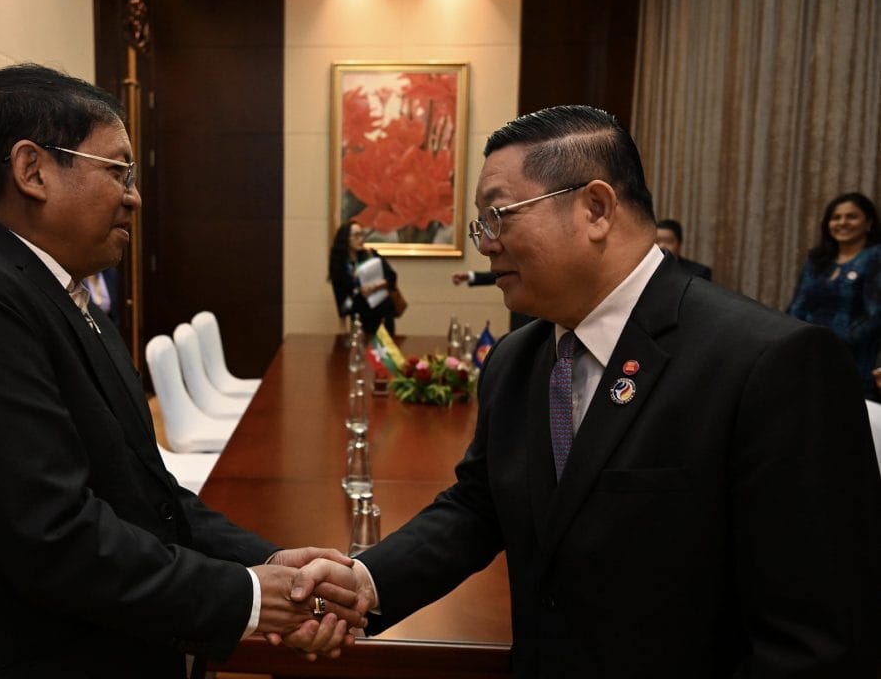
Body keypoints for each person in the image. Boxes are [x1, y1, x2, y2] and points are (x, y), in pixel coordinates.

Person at [315, 105, 881, 676]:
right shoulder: (518, 359)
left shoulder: (771, 363)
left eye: (498, 216)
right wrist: (362, 582)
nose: (486, 244)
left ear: (596, 208)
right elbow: (481, 504)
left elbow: (818, 644)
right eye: (479, 225)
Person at [0, 64, 365, 678]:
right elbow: (56, 537)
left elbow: (145, 489)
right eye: (117, 170)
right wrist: (254, 598)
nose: (134, 194)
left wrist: (270, 564)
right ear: (33, 171)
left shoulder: (63, 297)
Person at [787, 192, 881, 399]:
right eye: (836, 217)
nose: (842, 222)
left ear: (869, 222)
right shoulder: (818, 259)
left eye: (851, 216)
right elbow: (797, 305)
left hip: (851, 361)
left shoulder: (875, 257)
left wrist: (833, 344)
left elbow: (876, 315)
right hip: (806, 355)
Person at [328, 220, 398, 335]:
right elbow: (341, 297)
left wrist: (375, 286)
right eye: (356, 235)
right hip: (360, 317)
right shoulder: (340, 266)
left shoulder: (371, 255)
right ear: (346, 238)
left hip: (383, 314)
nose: (361, 238)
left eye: (362, 234)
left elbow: (392, 277)